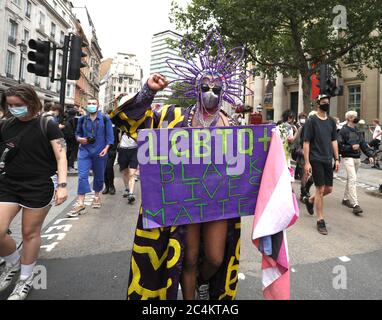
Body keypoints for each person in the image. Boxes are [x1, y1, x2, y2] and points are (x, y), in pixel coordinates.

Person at [110, 34, 252, 300]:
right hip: (182, 201)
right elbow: (130, 122)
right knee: (188, 258)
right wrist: (148, 92)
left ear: (225, 92)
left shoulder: (232, 126)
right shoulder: (173, 117)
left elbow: (246, 163)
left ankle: (204, 282)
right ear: (196, 89)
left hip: (217, 201)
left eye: (217, 89)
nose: (210, 94)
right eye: (205, 88)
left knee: (215, 257)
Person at [0, 85, 68, 300]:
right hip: (9, 183)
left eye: (18, 105)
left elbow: (61, 156)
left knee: (30, 234)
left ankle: (25, 279)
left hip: (39, 186)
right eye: (9, 105)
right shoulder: (4, 125)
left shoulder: (47, 124)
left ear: (31, 103)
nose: (13, 109)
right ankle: (13, 263)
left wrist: (63, 185)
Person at [68, 99, 114, 217]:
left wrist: (106, 148)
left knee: (99, 176)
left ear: (98, 106)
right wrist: (79, 139)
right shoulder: (82, 119)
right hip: (84, 151)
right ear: (86, 106)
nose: (91, 105)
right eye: (89, 103)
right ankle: (80, 202)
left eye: (94, 104)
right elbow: (77, 133)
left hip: (100, 152)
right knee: (82, 176)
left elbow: (110, 136)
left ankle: (97, 196)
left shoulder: (105, 118)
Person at [303, 95, 340, 235]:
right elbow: (306, 142)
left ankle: (310, 200)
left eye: (328, 103)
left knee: (329, 189)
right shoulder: (311, 121)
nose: (326, 105)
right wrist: (307, 162)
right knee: (320, 189)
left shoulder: (331, 121)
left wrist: (337, 159)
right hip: (316, 158)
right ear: (318, 104)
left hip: (327, 159)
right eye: (324, 103)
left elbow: (334, 141)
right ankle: (320, 220)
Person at [338, 111, 374, 216]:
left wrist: (370, 155)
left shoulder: (358, 130)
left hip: (357, 158)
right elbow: (339, 146)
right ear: (349, 118)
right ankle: (355, 205)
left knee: (350, 179)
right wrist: (350, 147)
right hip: (348, 157)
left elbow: (363, 144)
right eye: (354, 117)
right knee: (353, 179)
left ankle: (345, 199)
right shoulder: (343, 131)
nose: (356, 118)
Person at [118, 130, 139, 204]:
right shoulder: (122, 125)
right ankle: (127, 188)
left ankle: (131, 193)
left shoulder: (136, 125)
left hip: (134, 150)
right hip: (123, 150)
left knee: (132, 173)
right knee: (125, 172)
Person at [102, 109, 119, 196]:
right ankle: (106, 186)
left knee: (109, 168)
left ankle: (112, 186)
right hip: (102, 150)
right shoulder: (102, 125)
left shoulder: (116, 125)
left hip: (112, 149)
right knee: (104, 169)